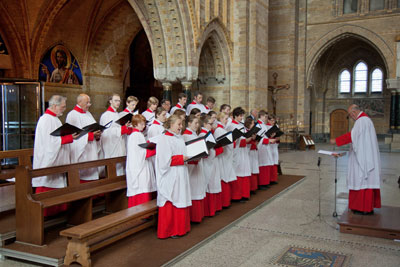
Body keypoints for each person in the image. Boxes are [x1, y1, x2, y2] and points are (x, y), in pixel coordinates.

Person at [330, 104, 381, 215]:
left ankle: (362, 208)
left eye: (350, 115)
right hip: (366, 155)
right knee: (364, 181)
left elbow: (352, 136)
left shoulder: (361, 121)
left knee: (361, 179)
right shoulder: (366, 120)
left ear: (354, 112)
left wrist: (336, 141)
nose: (351, 117)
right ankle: (364, 207)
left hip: (362, 158)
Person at [33, 95, 77, 216]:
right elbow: (49, 143)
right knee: (47, 187)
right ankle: (46, 215)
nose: (64, 109)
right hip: (48, 161)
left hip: (57, 161)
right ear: (54, 106)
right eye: (62, 107)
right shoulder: (46, 119)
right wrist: (68, 138)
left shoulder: (55, 119)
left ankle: (58, 214)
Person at [155, 115, 191, 238]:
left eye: (181, 124)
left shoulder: (179, 138)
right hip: (170, 174)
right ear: (170, 124)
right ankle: (171, 230)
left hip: (181, 172)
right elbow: (164, 161)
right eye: (178, 124)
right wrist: (182, 158)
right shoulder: (164, 139)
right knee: (172, 199)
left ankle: (181, 228)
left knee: (180, 198)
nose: (181, 127)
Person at [66, 94, 102, 181]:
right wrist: (90, 135)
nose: (89, 104)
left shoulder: (88, 114)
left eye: (90, 102)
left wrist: (97, 135)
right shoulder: (72, 115)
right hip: (81, 151)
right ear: (79, 102)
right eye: (87, 102)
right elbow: (74, 136)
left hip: (91, 148)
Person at [126, 115, 156, 207]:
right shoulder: (136, 135)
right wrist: (155, 150)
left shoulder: (137, 134)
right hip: (138, 167)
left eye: (144, 124)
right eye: (142, 124)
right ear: (135, 124)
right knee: (141, 188)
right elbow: (139, 154)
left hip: (140, 165)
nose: (144, 126)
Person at [99, 94, 132, 176]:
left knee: (120, 167)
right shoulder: (106, 115)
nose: (118, 103)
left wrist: (125, 128)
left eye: (119, 101)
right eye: (116, 100)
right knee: (114, 169)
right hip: (111, 145)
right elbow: (106, 132)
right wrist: (122, 129)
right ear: (110, 101)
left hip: (119, 143)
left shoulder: (116, 114)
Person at [182, 115, 206, 223]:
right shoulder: (187, 136)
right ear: (189, 123)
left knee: (197, 187)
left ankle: (198, 216)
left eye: (198, 123)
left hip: (196, 164)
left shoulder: (193, 134)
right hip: (191, 165)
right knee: (193, 189)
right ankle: (194, 217)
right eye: (195, 123)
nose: (198, 125)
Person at [226, 107, 252, 201]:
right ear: (235, 116)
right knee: (238, 172)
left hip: (243, 151)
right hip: (237, 151)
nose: (242, 118)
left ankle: (244, 194)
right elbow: (236, 141)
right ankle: (237, 196)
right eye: (240, 116)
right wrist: (248, 139)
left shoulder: (241, 125)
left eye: (242, 116)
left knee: (244, 171)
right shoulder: (231, 126)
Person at [200, 114, 222, 216]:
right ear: (204, 124)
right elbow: (206, 153)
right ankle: (209, 210)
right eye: (210, 124)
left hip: (212, 163)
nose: (212, 125)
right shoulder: (202, 135)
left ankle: (214, 208)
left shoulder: (208, 133)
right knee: (209, 184)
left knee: (213, 183)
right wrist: (218, 150)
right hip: (207, 164)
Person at [213, 112, 236, 207]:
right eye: (225, 118)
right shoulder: (219, 130)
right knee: (224, 177)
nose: (227, 121)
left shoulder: (222, 129)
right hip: (222, 157)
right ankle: (225, 202)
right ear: (221, 119)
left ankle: (227, 201)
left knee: (227, 176)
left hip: (226, 155)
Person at [257, 110, 276, 189]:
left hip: (265, 147)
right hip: (261, 147)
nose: (266, 118)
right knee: (262, 165)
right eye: (265, 117)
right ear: (261, 116)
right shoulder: (258, 125)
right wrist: (268, 140)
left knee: (266, 164)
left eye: (266, 117)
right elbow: (259, 138)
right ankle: (262, 183)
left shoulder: (263, 124)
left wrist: (270, 137)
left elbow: (265, 136)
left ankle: (265, 182)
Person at [244, 117, 259, 193]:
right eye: (253, 123)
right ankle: (250, 188)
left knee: (253, 169)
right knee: (250, 169)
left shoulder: (251, 131)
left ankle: (253, 187)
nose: (254, 124)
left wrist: (255, 139)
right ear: (248, 124)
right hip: (248, 152)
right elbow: (245, 142)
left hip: (253, 151)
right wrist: (251, 138)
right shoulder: (246, 131)